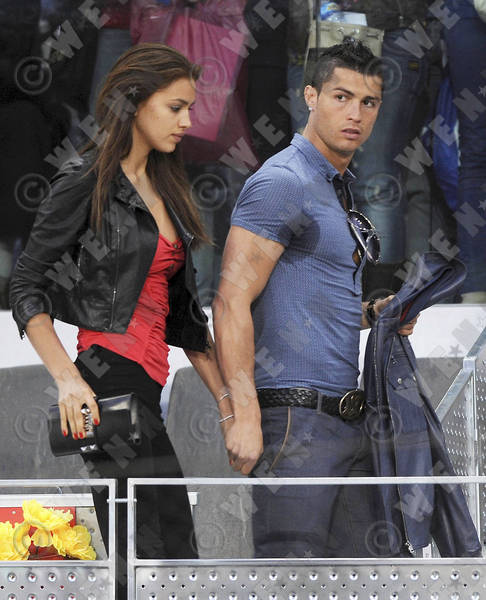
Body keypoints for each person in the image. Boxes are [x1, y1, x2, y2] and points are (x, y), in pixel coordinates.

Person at [10, 43, 233, 597]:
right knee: (150, 556)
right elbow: (25, 285)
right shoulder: (86, 180)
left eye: (189, 108)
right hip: (108, 378)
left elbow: (186, 321)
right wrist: (69, 379)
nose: (188, 122)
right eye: (175, 107)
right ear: (134, 102)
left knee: (168, 553)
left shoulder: (168, 188)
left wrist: (231, 407)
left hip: (149, 386)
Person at [213, 38, 417, 558]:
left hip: (347, 419)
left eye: (368, 102)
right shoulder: (283, 180)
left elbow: (311, 294)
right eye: (341, 97)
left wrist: (375, 314)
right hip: (292, 421)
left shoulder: (335, 186)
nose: (355, 114)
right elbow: (230, 301)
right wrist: (244, 414)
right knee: (291, 583)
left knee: (374, 583)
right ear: (310, 96)